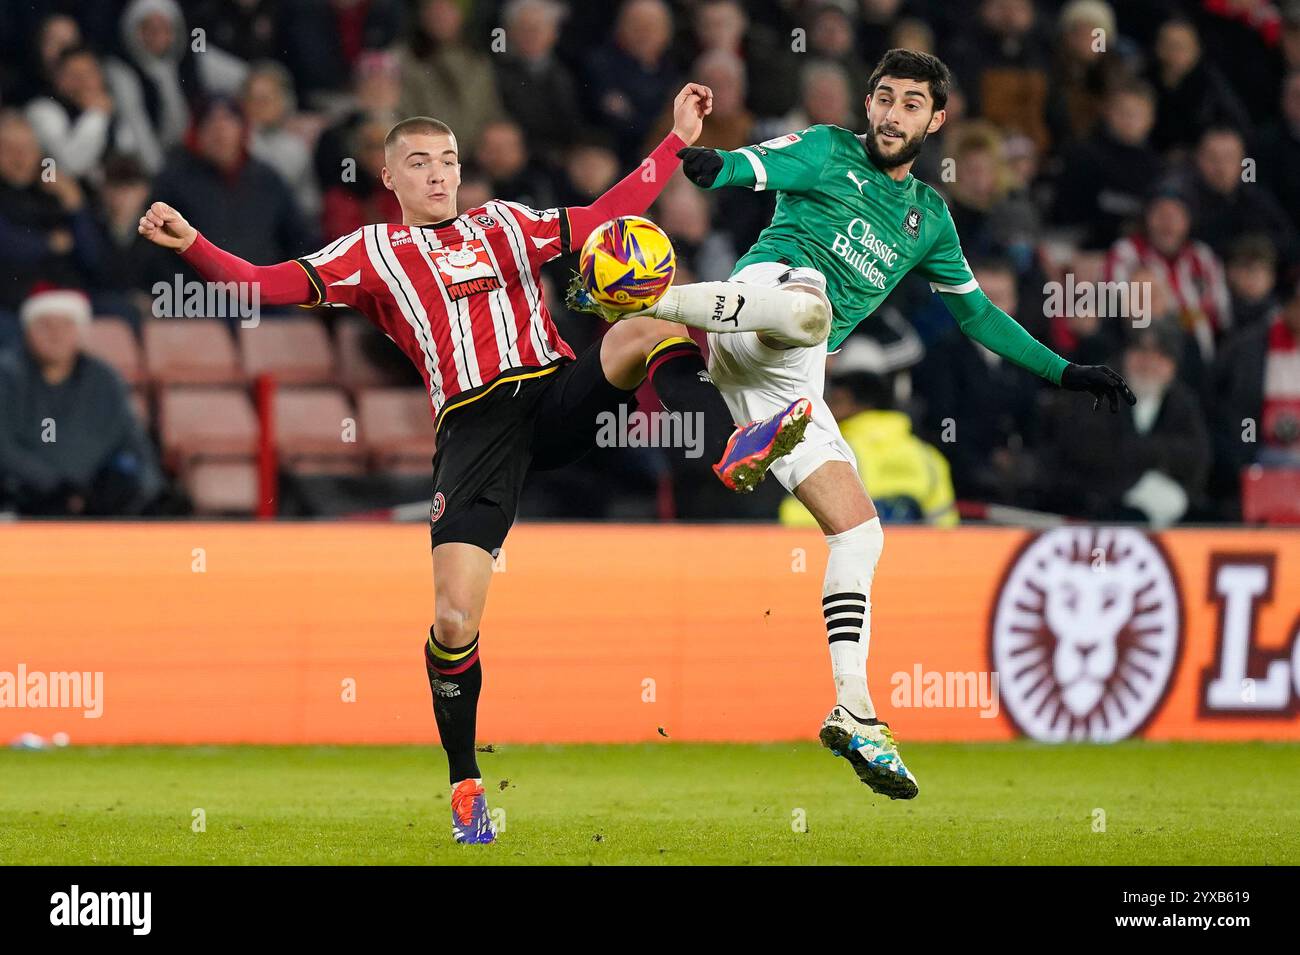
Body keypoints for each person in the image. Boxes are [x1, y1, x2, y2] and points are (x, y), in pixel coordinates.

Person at [137, 84, 812, 844]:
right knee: (455, 616)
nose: (438, 175)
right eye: (419, 163)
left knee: (645, 320)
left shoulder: (505, 223)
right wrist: (193, 242)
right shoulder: (372, 253)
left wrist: (674, 138)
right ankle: (464, 782)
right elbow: (263, 284)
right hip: (475, 426)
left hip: (553, 392)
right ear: (388, 178)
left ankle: (737, 438)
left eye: (449, 161)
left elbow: (603, 218)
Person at [574, 49, 1135, 800]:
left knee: (860, 533)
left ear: (936, 120)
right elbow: (754, 164)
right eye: (885, 98)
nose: (893, 114)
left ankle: (856, 709)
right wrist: (713, 164)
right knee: (812, 307)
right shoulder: (830, 149)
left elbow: (975, 313)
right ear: (868, 104)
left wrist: (1064, 371)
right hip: (763, 306)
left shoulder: (930, 221)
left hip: (788, 385)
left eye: (912, 104)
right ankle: (646, 298)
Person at [0, 288, 161, 516]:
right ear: (27, 332)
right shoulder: (7, 376)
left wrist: (142, 486)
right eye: (45, 325)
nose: (55, 334)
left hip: (96, 502)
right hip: (21, 499)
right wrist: (52, 484)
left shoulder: (105, 379)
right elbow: (4, 447)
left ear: (80, 332)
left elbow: (133, 442)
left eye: (66, 325)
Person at [779, 368, 958, 528]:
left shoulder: (832, 452)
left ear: (857, 404)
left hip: (852, 558)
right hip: (915, 559)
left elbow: (794, 519)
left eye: (835, 400)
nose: (827, 408)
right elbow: (945, 526)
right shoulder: (928, 456)